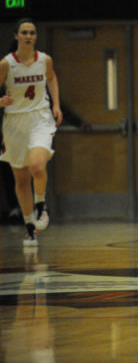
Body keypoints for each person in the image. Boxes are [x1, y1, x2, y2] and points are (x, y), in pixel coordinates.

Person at [0, 18, 63, 246]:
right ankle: (29, 227)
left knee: (37, 165)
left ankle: (41, 206)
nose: (29, 36)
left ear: (36, 36)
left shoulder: (45, 60)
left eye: (32, 32)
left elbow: (52, 77)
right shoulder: (6, 64)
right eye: (24, 32)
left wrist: (55, 105)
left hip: (40, 119)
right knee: (22, 179)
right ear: (16, 36)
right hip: (15, 123)